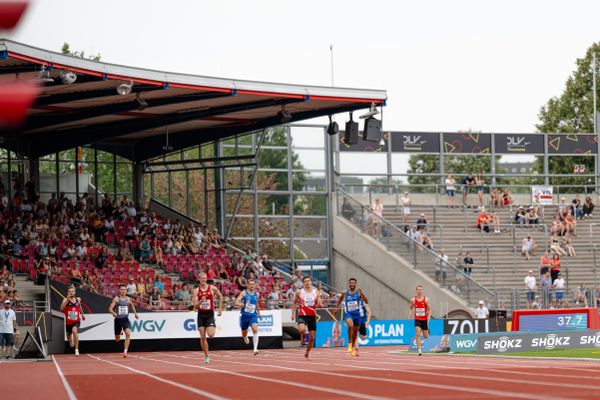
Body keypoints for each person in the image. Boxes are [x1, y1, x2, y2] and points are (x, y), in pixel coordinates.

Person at [193, 272, 224, 363]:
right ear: (199, 279)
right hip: (201, 315)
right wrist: (200, 301)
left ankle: (212, 324)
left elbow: (221, 296)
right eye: (201, 278)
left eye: (204, 278)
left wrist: (220, 308)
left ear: (206, 279)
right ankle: (206, 356)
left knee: (210, 335)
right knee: (202, 337)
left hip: (210, 314)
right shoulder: (196, 291)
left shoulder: (212, 288)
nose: (203, 280)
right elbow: (195, 306)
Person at [291, 276, 322, 360]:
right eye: (305, 281)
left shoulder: (316, 292)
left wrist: (319, 300)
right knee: (302, 330)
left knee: (312, 338)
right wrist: (293, 314)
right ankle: (303, 335)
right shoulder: (299, 292)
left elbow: (320, 304)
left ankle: (307, 353)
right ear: (303, 283)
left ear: (311, 282)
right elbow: (294, 303)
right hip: (303, 316)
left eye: (308, 281)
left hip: (312, 316)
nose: (307, 282)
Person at [334, 278, 367, 357]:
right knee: (350, 325)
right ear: (349, 284)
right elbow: (340, 299)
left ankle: (352, 347)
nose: (352, 284)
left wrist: (362, 293)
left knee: (355, 332)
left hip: (357, 315)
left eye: (353, 283)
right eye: (350, 283)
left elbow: (366, 301)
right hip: (349, 313)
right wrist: (336, 307)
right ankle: (349, 342)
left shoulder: (358, 293)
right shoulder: (345, 292)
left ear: (355, 284)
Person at [108, 284, 140, 358]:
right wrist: (113, 313)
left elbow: (132, 305)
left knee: (128, 333)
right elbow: (110, 309)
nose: (123, 291)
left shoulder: (128, 299)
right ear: (119, 290)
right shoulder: (116, 299)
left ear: (126, 290)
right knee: (117, 339)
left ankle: (125, 351)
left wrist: (135, 314)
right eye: (122, 289)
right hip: (118, 320)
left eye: (124, 289)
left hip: (125, 319)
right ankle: (120, 332)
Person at [235, 278, 261, 355]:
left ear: (255, 285)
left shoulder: (257, 294)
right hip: (245, 316)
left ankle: (255, 349)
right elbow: (237, 301)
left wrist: (259, 312)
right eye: (250, 284)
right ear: (248, 285)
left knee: (255, 329)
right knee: (244, 333)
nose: (252, 286)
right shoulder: (244, 293)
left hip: (253, 315)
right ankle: (245, 337)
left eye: (253, 284)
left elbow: (256, 304)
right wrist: (239, 304)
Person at [60, 286, 86, 356]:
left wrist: (82, 315)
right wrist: (67, 300)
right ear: (68, 292)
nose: (71, 292)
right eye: (70, 291)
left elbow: (79, 307)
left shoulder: (78, 299)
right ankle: (71, 341)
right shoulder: (65, 299)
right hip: (68, 322)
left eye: (72, 291)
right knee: (69, 337)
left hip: (76, 320)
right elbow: (61, 309)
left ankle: (76, 349)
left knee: (74, 331)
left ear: (75, 292)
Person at [408, 285, 430, 356]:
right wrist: (410, 313)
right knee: (417, 334)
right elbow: (410, 307)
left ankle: (423, 331)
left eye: (421, 290)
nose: (420, 291)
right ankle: (419, 349)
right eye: (418, 290)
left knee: (426, 336)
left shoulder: (426, 299)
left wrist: (428, 316)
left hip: (424, 319)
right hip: (417, 319)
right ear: (416, 291)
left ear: (422, 291)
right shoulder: (413, 300)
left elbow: (430, 309)